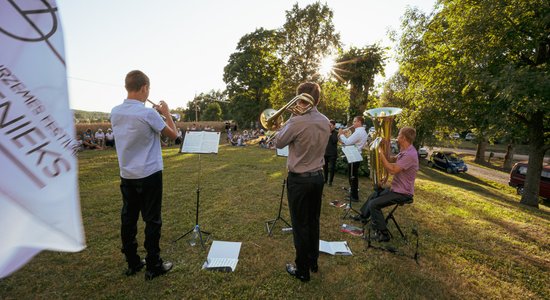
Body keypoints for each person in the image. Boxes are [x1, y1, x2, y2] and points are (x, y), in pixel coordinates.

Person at [110, 70, 178, 280]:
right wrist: (165, 112)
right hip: (149, 173)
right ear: (144, 88)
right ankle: (153, 264)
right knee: (152, 219)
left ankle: (132, 261)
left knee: (128, 218)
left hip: (127, 173)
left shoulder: (115, 111)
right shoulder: (148, 114)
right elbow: (174, 136)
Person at [275, 82, 330, 283]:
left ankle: (302, 269)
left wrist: (289, 119)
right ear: (317, 99)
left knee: (300, 225)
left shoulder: (296, 121)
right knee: (313, 221)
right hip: (318, 177)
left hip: (299, 180)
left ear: (300, 98)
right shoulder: (325, 121)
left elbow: (278, 142)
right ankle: (313, 262)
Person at [357, 127, 419, 242]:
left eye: (399, 134)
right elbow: (391, 159)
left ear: (403, 138)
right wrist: (385, 149)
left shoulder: (410, 154)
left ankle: (383, 234)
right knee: (374, 194)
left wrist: (380, 152)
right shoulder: (405, 150)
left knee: (374, 204)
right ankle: (363, 217)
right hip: (396, 189)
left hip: (403, 193)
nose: (397, 136)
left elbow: (392, 170)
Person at [338, 116, 368, 202]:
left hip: (354, 156)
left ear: (359, 122)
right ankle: (353, 194)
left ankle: (354, 197)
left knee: (352, 177)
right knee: (353, 176)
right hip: (356, 156)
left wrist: (342, 134)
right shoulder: (362, 131)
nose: (353, 123)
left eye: (355, 121)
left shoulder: (359, 132)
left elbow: (347, 142)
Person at [323, 120, 338, 187]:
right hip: (325, 152)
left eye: (331, 125)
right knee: (325, 167)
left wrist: (330, 134)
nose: (329, 127)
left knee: (331, 168)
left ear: (334, 126)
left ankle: (330, 181)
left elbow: (335, 141)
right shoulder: (325, 132)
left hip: (332, 153)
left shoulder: (336, 133)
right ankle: (325, 180)